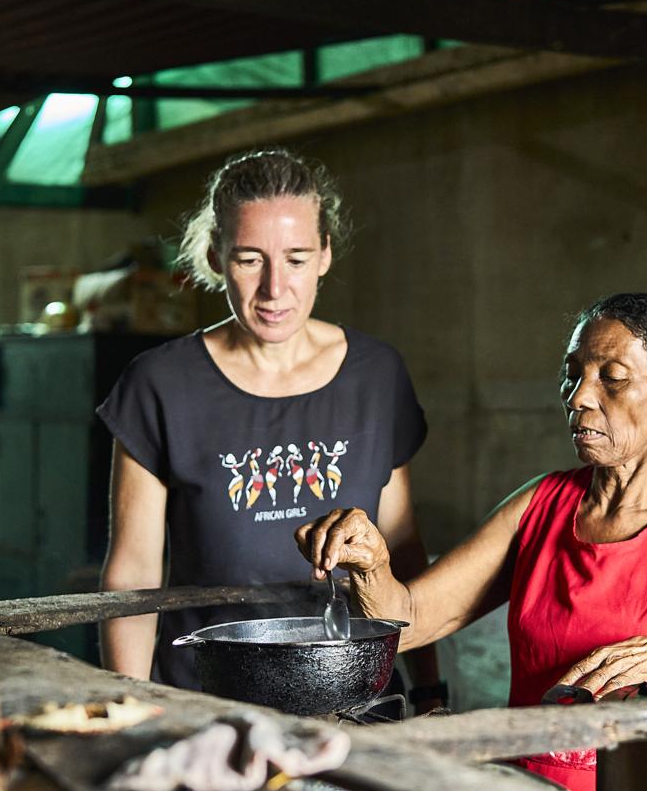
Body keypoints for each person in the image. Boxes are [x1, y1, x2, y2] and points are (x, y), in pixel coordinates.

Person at [295, 293, 647, 791]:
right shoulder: (540, 505)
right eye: (573, 374)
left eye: (611, 377)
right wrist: (372, 562)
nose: (578, 398)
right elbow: (408, 619)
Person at [96, 147, 442, 704]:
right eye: (250, 259)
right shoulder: (159, 383)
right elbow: (134, 573)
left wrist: (429, 688)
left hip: (355, 697)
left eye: (298, 258)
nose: (275, 288)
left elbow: (402, 550)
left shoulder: (376, 375)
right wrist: (134, 712)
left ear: (326, 254)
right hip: (209, 698)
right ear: (215, 256)